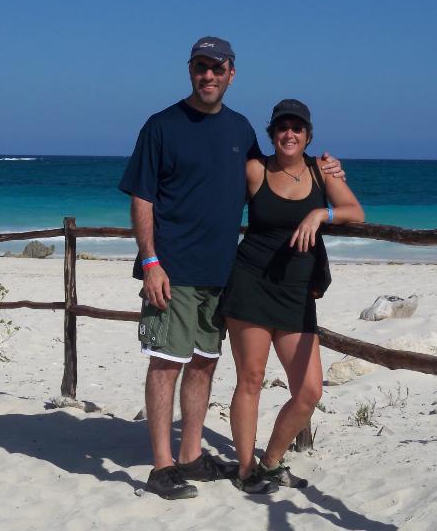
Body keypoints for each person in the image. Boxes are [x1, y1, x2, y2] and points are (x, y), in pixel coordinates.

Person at [118, 38, 344, 500]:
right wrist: (151, 261)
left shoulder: (240, 129)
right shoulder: (161, 126)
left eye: (217, 68)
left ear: (231, 74)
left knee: (204, 363)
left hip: (224, 272)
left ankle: (191, 456)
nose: (209, 76)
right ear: (190, 71)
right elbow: (142, 197)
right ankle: (162, 466)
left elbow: (275, 173)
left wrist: (325, 173)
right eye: (201, 67)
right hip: (172, 268)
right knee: (166, 364)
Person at [218, 98, 364, 494]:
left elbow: (354, 210)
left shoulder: (321, 171)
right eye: (282, 127)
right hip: (250, 283)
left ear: (308, 135)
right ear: (272, 134)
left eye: (297, 128)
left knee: (309, 390)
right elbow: (217, 204)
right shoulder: (255, 170)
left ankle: (271, 461)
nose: (289, 134)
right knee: (251, 379)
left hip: (298, 292)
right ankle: (246, 470)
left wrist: (321, 214)